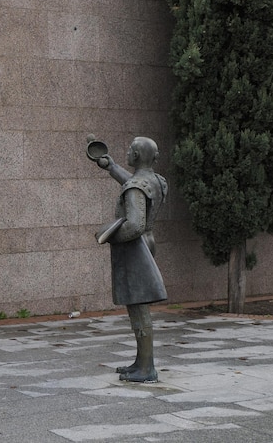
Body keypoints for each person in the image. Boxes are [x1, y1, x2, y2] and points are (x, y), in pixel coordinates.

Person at [94, 136, 168, 383]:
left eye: (130, 149)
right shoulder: (156, 181)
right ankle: (142, 361)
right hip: (148, 243)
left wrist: (110, 235)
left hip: (135, 247)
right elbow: (135, 184)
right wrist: (112, 167)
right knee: (139, 306)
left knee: (138, 309)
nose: (127, 151)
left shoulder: (137, 186)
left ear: (136, 156)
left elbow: (135, 225)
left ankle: (146, 368)